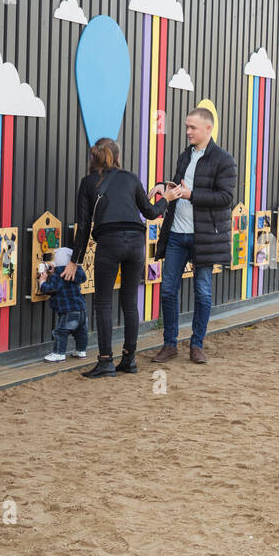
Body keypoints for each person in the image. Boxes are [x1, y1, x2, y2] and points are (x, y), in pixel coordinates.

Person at [66, 138, 178, 378]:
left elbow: (84, 227)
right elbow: (149, 213)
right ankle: (129, 359)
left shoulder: (87, 183)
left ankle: (106, 361)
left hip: (110, 242)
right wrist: (166, 199)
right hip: (136, 242)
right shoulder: (130, 178)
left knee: (104, 302)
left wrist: (75, 260)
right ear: (116, 156)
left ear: (93, 157)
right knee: (129, 301)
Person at [152, 107, 238, 364]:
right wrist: (164, 186)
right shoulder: (184, 156)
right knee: (168, 290)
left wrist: (193, 196)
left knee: (202, 292)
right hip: (177, 234)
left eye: (193, 127)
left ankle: (196, 345)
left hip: (204, 237)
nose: (187, 131)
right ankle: (170, 344)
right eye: (187, 126)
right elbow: (181, 187)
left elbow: (226, 198)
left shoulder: (224, 160)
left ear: (208, 129)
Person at [37, 247, 87, 362]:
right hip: (81, 309)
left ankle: (59, 354)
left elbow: (51, 288)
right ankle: (81, 351)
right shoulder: (76, 272)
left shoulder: (58, 275)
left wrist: (42, 282)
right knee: (81, 332)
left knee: (61, 332)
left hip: (68, 311)